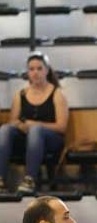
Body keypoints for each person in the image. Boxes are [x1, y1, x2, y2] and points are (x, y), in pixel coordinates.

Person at [0, 51, 69, 194]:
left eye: (39, 68)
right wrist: (22, 125)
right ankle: (1, 179)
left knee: (36, 131)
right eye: (31, 69)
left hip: (51, 139)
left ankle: (29, 180)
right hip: (27, 138)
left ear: (46, 70)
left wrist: (35, 125)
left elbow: (62, 127)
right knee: (5, 129)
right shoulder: (21, 94)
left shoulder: (57, 94)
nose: (35, 73)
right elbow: (13, 121)